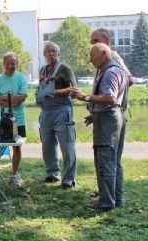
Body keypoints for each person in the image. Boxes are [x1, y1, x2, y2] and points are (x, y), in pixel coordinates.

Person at [72, 43, 129, 211]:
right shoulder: (119, 70)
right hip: (115, 117)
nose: (90, 60)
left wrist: (85, 97)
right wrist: (94, 114)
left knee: (105, 162)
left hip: (108, 121)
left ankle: (106, 203)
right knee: (114, 161)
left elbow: (110, 98)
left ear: (104, 54)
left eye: (93, 56)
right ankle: (117, 199)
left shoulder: (110, 73)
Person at [35, 42, 77, 189]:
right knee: (47, 145)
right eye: (48, 51)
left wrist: (54, 92)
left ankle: (68, 180)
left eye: (54, 51)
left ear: (58, 54)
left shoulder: (65, 69)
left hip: (62, 110)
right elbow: (41, 88)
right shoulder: (42, 71)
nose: (51, 54)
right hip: (46, 112)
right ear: (44, 55)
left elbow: (74, 90)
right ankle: (52, 174)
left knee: (67, 146)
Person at [0, 52, 28, 185]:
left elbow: (21, 98)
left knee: (16, 147)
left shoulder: (22, 78)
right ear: (3, 64)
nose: (11, 66)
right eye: (8, 63)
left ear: (17, 64)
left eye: (13, 63)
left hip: (19, 120)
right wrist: (12, 98)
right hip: (0, 120)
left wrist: (3, 97)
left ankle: (13, 175)